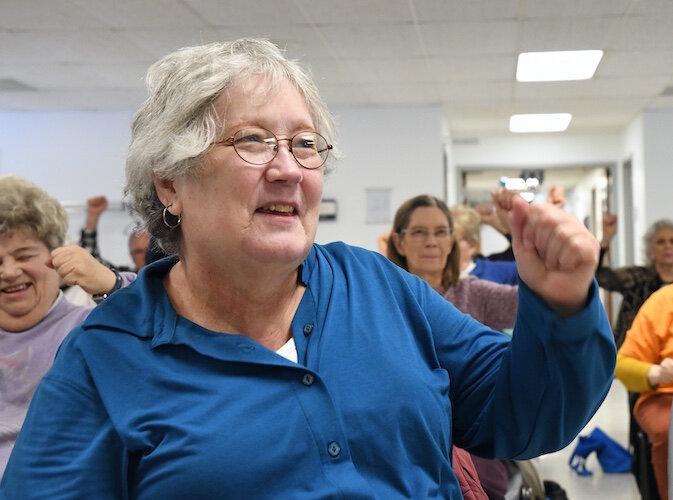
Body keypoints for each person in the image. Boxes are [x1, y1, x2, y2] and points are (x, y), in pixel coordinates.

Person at [1, 38, 616, 498]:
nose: (289, 168)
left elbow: (525, 414)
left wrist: (561, 304)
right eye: (252, 141)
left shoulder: (377, 288)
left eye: (304, 143)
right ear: (171, 182)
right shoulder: (103, 359)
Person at [0, 175, 135, 475]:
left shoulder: (89, 329)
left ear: (57, 255)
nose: (9, 271)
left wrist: (112, 284)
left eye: (24, 255)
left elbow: (161, 319)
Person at [388, 195, 518, 333]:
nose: (432, 242)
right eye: (419, 232)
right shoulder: (385, 299)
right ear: (399, 243)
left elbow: (530, 303)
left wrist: (519, 230)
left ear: (451, 241)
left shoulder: (471, 294)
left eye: (441, 232)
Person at [614, 283, 673, 500]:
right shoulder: (663, 301)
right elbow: (622, 364)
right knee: (669, 431)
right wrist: (656, 372)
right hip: (664, 394)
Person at [596, 213, 673, 348]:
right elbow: (598, 275)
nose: (668, 246)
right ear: (650, 250)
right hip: (632, 352)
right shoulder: (637, 277)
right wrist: (606, 239)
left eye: (672, 241)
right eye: (661, 241)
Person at [450, 204, 518, 285]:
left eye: (453, 241)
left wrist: (498, 224)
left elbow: (523, 257)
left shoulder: (496, 272)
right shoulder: (434, 276)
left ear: (472, 246)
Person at [79, 195, 151, 271]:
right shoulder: (125, 279)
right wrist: (93, 216)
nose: (145, 256)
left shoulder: (164, 274)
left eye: (149, 250)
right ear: (131, 255)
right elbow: (90, 262)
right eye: (138, 252)